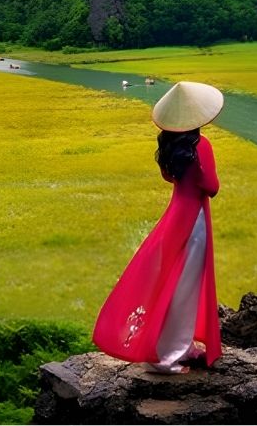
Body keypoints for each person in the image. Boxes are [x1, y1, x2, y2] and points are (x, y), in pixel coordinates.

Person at [93, 81, 224, 374]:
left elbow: (169, 177)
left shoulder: (168, 144)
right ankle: (167, 356)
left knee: (171, 283)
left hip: (173, 218)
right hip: (194, 222)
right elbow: (212, 187)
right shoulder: (201, 145)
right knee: (185, 287)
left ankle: (178, 345)